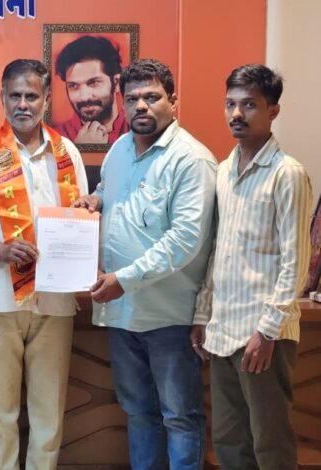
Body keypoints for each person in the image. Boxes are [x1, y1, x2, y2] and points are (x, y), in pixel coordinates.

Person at [74, 59, 217, 470]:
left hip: (168, 316)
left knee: (179, 416)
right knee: (138, 413)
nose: (141, 105)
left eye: (152, 97)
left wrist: (124, 279)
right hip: (123, 314)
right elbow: (109, 189)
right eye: (132, 98)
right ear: (122, 103)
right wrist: (96, 200)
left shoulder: (191, 160)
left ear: (173, 101)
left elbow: (185, 239)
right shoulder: (120, 149)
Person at [0, 59, 88, 469]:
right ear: (2, 98)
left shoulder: (68, 153)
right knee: (0, 412)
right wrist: (2, 251)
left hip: (55, 301)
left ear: (46, 99)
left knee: (49, 412)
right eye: (15, 95)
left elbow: (80, 218)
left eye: (31, 95)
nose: (23, 104)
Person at [192, 64, 312, 470]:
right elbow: (218, 250)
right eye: (230, 104)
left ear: (273, 110)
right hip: (223, 330)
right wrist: (203, 314)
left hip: (263, 335)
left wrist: (267, 331)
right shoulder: (225, 171)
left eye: (249, 105)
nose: (237, 114)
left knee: (269, 441)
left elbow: (295, 262)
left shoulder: (287, 174)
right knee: (228, 440)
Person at [53, 35, 129, 145]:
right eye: (73, 86)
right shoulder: (55, 138)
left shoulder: (139, 133)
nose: (84, 97)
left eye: (93, 83)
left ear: (116, 83)